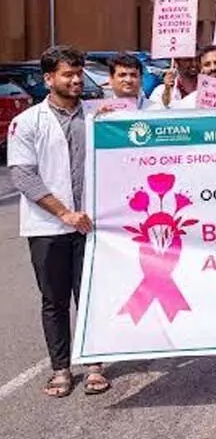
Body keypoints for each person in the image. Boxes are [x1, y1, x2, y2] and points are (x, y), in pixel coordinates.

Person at [7, 46, 109, 397]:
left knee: (90, 296)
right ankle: (61, 368)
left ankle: (94, 364)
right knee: (54, 300)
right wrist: (63, 212)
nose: (76, 80)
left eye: (79, 73)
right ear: (49, 79)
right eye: (68, 74)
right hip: (48, 228)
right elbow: (22, 174)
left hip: (92, 227)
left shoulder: (98, 116)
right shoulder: (28, 122)